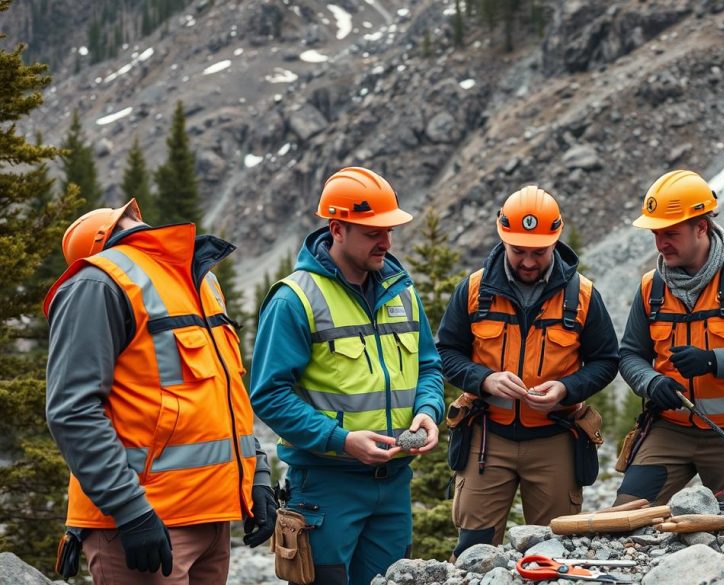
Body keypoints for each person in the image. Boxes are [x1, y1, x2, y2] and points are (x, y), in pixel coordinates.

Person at [43, 199, 275, 584]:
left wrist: (257, 476)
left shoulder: (199, 280)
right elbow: (72, 410)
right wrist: (130, 509)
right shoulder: (96, 283)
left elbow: (225, 393)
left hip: (210, 518)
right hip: (145, 523)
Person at [249, 167, 445, 585]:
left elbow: (428, 365)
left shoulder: (402, 290)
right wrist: (341, 441)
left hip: (393, 484)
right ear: (337, 229)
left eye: (389, 230)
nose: (387, 242)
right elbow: (268, 395)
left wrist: (429, 409)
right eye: (373, 232)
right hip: (325, 487)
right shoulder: (295, 298)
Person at [437, 186, 619, 558]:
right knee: (474, 551)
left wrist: (566, 389)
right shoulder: (474, 290)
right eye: (519, 250)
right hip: (487, 440)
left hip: (555, 440)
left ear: (556, 240)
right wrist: (484, 379)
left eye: (539, 252)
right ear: (502, 237)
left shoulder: (582, 295)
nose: (529, 261)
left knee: (553, 551)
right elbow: (445, 353)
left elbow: (606, 361)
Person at [613, 170, 724, 507]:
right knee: (627, 517)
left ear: (702, 226)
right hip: (669, 428)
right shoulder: (650, 287)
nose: (661, 244)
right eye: (656, 234)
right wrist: (651, 382)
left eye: (671, 233)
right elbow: (629, 355)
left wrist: (715, 361)